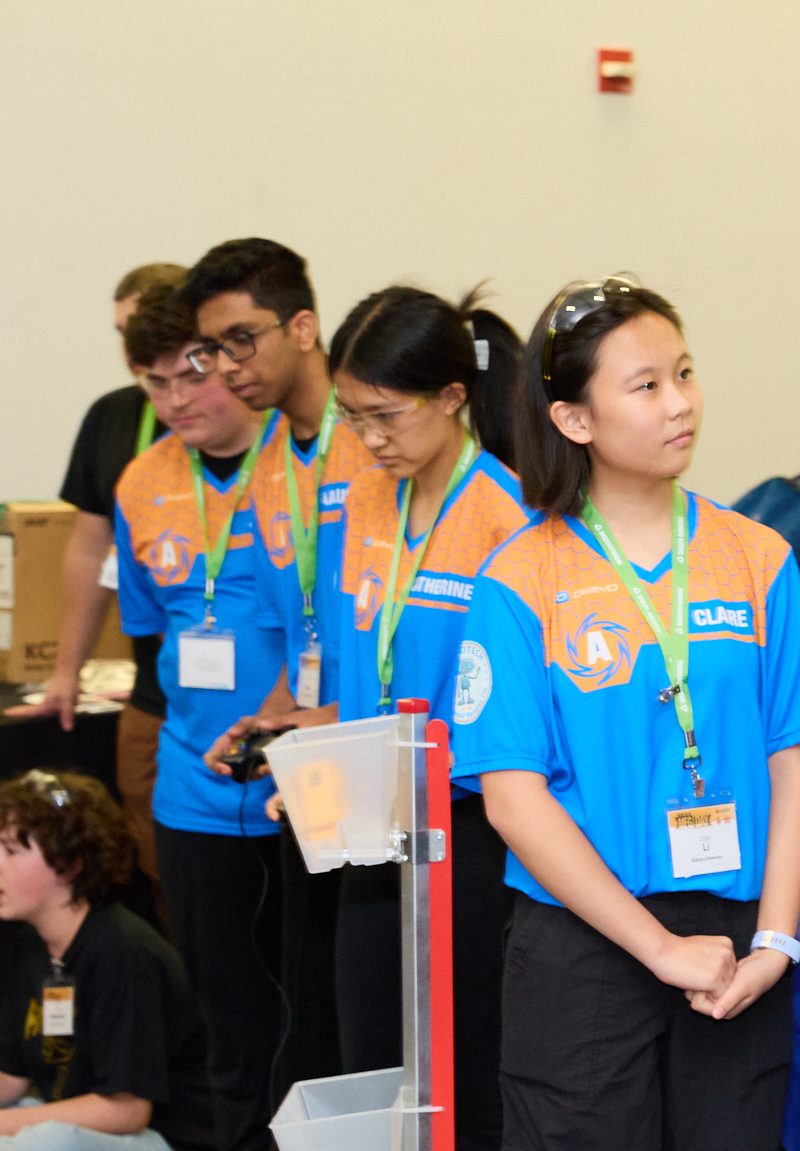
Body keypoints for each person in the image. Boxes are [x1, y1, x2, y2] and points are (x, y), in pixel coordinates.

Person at [453, 276, 800, 1149]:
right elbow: (512, 799)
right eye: (646, 385)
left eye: (685, 373)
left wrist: (776, 941)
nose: (681, 403)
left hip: (736, 942)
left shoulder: (758, 557)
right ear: (574, 418)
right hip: (584, 939)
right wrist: (658, 947)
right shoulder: (519, 579)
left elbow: (789, 764)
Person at [244, 286, 533, 1149]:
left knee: (468, 1072)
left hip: (469, 836)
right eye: (352, 417)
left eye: (385, 416)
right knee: (373, 1057)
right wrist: (317, 759)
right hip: (370, 829)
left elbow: (513, 714)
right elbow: (357, 664)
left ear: (452, 396)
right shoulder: (362, 501)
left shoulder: (509, 516)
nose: (368, 439)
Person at [182, 238, 370, 1101]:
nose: (227, 366)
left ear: (302, 327)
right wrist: (266, 720)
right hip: (313, 763)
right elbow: (298, 638)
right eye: (210, 349)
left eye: (241, 339)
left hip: (385, 759)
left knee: (376, 1014)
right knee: (311, 1000)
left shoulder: (374, 443)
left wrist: (325, 722)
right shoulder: (265, 467)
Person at [110, 286, 284, 1151]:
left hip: (300, 781)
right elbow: (150, 632)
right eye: (155, 383)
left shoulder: (305, 465)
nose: (177, 400)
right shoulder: (141, 482)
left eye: (191, 374)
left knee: (305, 1014)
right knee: (225, 1018)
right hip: (192, 788)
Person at [10, 263, 186, 931]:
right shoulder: (113, 418)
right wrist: (66, 670)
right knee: (157, 865)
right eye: (123, 334)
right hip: (153, 694)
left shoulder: (248, 422)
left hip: (241, 698)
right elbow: (88, 551)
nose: (135, 351)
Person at [0, 770, 212, 1150]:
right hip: (75, 1121)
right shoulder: (29, 944)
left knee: (44, 1142)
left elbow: (126, 1111)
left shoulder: (123, 951)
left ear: (70, 864)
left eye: (11, 852)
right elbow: (13, 1077)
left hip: (158, 1138)